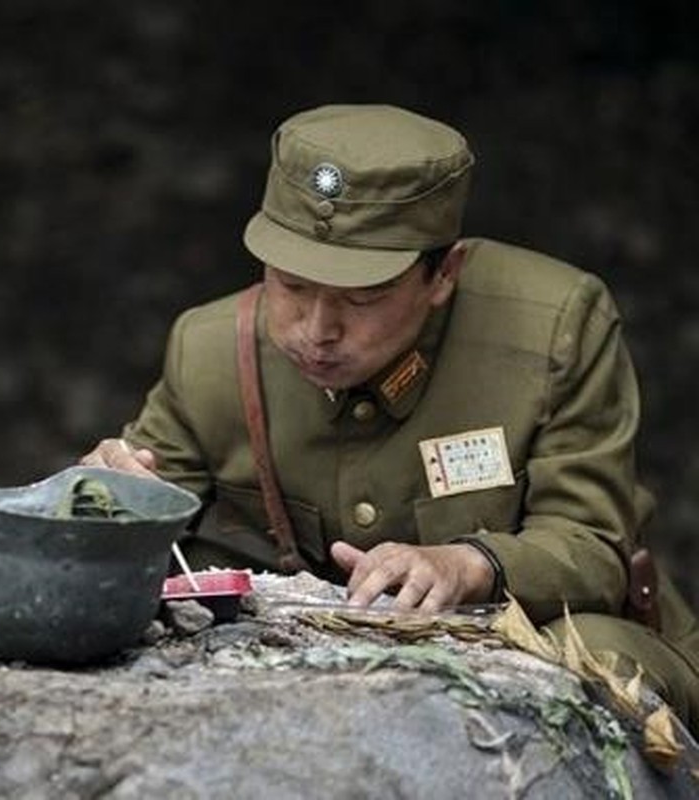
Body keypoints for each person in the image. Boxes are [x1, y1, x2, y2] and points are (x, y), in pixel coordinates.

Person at [83, 104, 699, 727]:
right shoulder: (208, 349)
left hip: (527, 635)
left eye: (363, 296)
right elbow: (135, 521)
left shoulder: (554, 329)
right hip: (310, 679)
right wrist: (105, 499)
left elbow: (592, 545)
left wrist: (471, 565)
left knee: (593, 660)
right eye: (291, 285)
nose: (316, 330)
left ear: (443, 274)